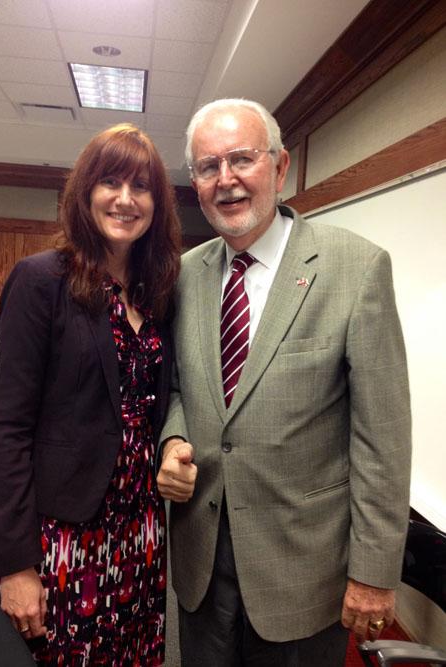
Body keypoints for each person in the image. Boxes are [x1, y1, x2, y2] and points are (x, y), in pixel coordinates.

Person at [157, 99, 412, 666]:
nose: (226, 179)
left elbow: (383, 438)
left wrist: (373, 574)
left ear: (279, 167)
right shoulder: (185, 275)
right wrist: (173, 441)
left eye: (242, 159)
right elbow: (175, 387)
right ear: (195, 183)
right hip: (201, 561)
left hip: (304, 570)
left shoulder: (356, 269)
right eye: (208, 166)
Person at [0, 123, 181, 666]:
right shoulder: (41, 281)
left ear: (157, 204)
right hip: (62, 539)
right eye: (110, 182)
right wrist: (15, 566)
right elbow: (9, 430)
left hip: (139, 532)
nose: (125, 199)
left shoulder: (158, 291)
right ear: (85, 191)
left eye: (141, 187)